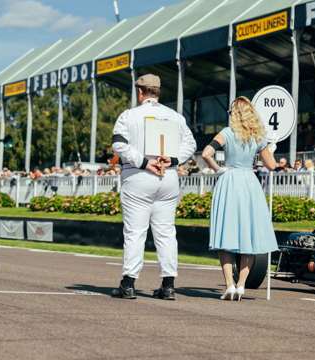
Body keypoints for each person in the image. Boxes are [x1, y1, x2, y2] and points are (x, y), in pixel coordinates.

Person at [111, 73, 197, 300]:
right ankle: (168, 285)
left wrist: (143, 162)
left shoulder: (129, 115)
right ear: (157, 92)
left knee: (135, 232)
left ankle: (129, 283)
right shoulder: (175, 116)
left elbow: (119, 144)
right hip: (168, 177)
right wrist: (174, 160)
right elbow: (191, 143)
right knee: (166, 232)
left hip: (138, 176)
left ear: (140, 92)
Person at [202, 96, 278, 301]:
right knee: (249, 235)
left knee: (226, 234)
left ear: (233, 115)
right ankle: (242, 285)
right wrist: (270, 150)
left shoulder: (226, 133)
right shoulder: (258, 137)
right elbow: (271, 166)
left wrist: (219, 169)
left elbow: (206, 153)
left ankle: (229, 285)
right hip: (249, 183)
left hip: (229, 181)